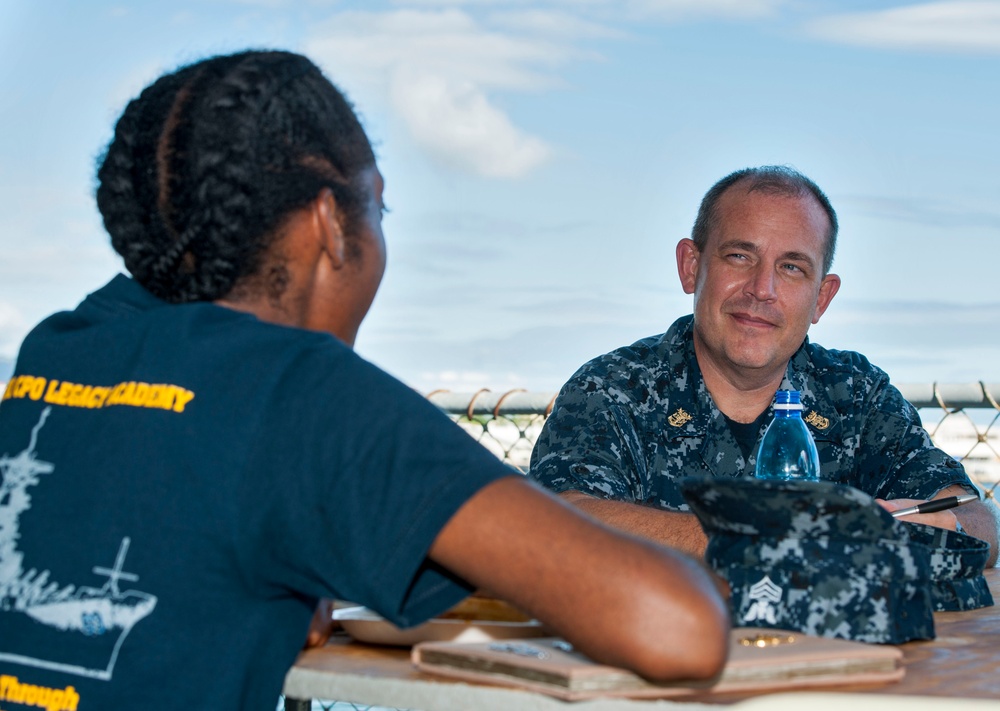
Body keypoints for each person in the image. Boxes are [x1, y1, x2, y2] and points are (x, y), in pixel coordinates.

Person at [0, 51, 729, 711]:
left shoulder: (62, 347)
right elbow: (677, 626)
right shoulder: (301, 391)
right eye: (376, 207)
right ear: (330, 225)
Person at [529, 165, 1000, 566]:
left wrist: (936, 524)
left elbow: (976, 518)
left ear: (822, 297)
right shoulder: (613, 389)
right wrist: (776, 540)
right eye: (740, 256)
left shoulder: (856, 395)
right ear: (691, 267)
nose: (762, 289)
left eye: (792, 267)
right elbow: (558, 518)